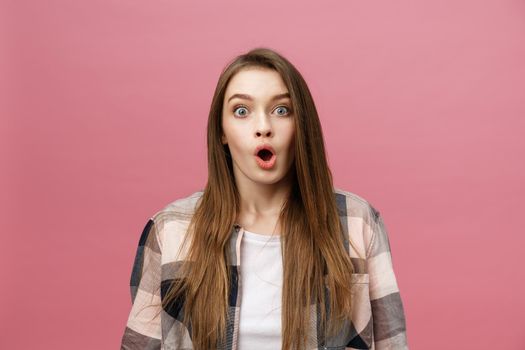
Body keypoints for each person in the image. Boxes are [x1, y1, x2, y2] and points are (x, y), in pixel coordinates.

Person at [120, 47, 408, 350]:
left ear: (301, 126)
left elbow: (393, 343)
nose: (263, 128)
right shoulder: (170, 230)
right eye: (241, 111)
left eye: (281, 110)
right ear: (222, 132)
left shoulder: (357, 222)